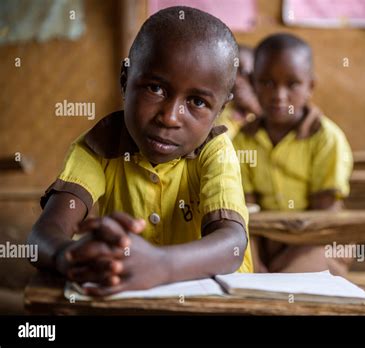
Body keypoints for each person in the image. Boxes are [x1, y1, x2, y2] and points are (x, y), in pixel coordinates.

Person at [28, 6, 253, 297]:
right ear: (125, 79)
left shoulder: (215, 151)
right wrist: (68, 255)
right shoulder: (100, 145)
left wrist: (163, 265)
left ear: (220, 110)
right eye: (156, 89)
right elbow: (42, 235)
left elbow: (232, 245)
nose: (170, 117)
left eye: (197, 102)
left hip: (216, 303)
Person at [233, 33, 353, 274]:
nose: (279, 95)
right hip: (264, 238)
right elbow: (246, 210)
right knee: (244, 267)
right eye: (266, 82)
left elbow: (325, 213)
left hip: (318, 238)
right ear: (253, 82)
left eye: (292, 84)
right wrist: (254, 260)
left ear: (310, 86)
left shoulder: (326, 138)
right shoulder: (243, 139)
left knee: (300, 274)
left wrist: (285, 261)